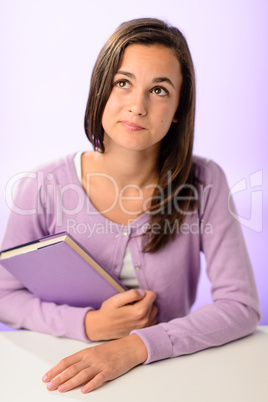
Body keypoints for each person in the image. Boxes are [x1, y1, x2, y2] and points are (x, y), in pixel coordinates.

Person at [0, 18, 260, 394]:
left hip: (165, 377)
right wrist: (88, 325)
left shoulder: (205, 182)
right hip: (60, 379)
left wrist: (136, 346)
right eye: (123, 83)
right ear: (101, 90)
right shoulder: (41, 186)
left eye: (158, 90)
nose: (137, 106)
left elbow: (241, 307)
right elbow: (4, 296)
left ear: (177, 111)